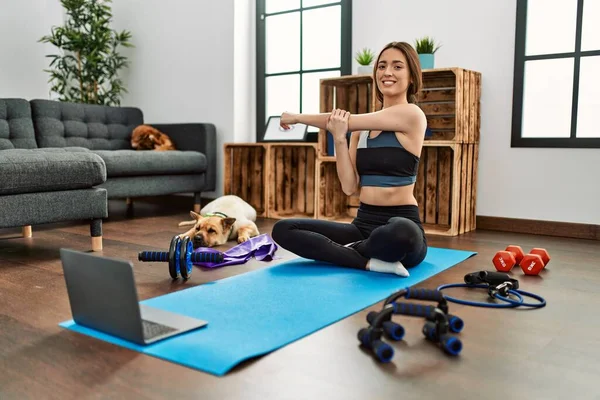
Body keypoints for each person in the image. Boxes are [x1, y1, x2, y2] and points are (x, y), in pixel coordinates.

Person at [272, 41, 428, 277]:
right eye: (382, 66)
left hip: (401, 222)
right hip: (363, 224)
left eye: (397, 67)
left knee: (401, 232)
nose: (387, 73)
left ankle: (347, 253)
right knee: (283, 229)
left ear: (412, 77)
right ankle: (366, 262)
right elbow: (349, 187)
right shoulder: (360, 131)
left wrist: (295, 117)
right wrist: (340, 139)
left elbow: (346, 120)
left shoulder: (412, 115)